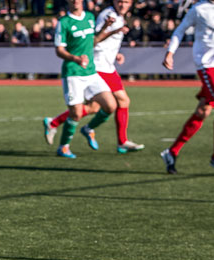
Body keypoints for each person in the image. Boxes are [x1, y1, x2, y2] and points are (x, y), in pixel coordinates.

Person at [43, 0, 144, 154]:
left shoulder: (105, 17)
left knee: (95, 107)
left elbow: (96, 39)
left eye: (127, 2)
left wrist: (115, 52)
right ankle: (118, 141)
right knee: (118, 101)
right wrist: (78, 58)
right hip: (96, 65)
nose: (123, 5)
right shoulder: (105, 15)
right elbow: (92, 42)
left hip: (104, 66)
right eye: (121, 2)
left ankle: (55, 123)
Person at [50, 0, 118, 158]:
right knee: (76, 113)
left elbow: (93, 41)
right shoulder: (64, 22)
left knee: (110, 105)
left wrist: (106, 27)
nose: (76, 1)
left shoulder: (89, 17)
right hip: (73, 72)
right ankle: (64, 147)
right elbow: (59, 50)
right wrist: (75, 58)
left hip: (91, 72)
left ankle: (88, 129)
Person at [160, 0, 214, 174]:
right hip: (207, 65)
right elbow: (180, 30)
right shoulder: (199, 9)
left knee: (203, 111)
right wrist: (170, 53)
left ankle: (171, 152)